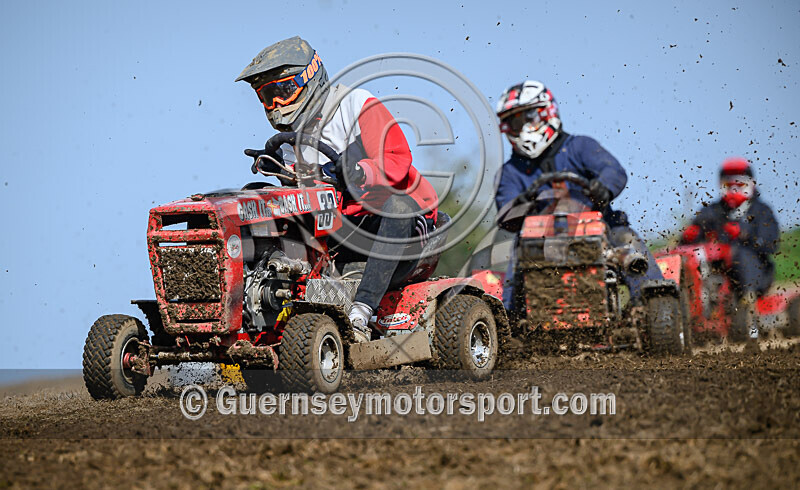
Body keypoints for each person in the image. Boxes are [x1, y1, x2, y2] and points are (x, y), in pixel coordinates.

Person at [236, 36, 439, 342]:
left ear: (309, 78)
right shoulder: (290, 142)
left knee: (398, 206)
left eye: (283, 92)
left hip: (401, 225)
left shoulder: (356, 105)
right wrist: (277, 174)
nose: (276, 104)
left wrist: (359, 171)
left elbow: (396, 158)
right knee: (256, 205)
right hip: (340, 229)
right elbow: (303, 204)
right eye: (268, 97)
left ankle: (361, 312)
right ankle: (255, 311)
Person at [494, 80, 663, 311]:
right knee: (517, 255)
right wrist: (523, 203)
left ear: (546, 113)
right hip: (540, 239)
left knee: (628, 242)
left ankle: (652, 302)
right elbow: (505, 212)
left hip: (602, 228)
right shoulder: (510, 172)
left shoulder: (580, 147)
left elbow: (613, 171)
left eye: (527, 118)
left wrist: (603, 188)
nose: (522, 128)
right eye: (515, 122)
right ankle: (511, 318)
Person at [681, 157, 780, 340]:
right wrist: (689, 235)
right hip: (716, 271)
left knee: (740, 253)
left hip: (755, 273)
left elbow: (771, 243)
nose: (734, 191)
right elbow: (694, 236)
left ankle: (748, 306)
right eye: (728, 185)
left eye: (739, 185)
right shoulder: (712, 211)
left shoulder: (761, 211)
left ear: (749, 185)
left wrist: (745, 235)